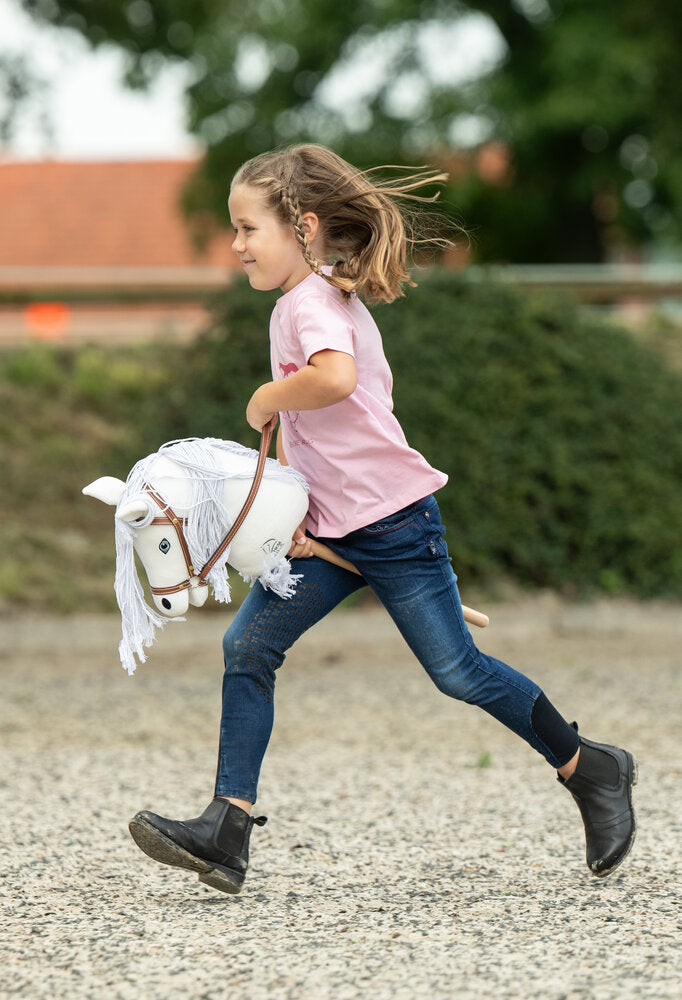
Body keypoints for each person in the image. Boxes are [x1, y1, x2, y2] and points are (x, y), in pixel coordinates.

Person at [128, 144, 637, 894]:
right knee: (248, 647)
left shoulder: (310, 303)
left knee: (458, 672)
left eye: (246, 229)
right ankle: (226, 829)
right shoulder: (304, 300)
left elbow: (335, 381)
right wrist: (298, 521)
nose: (235, 245)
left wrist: (266, 400)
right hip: (333, 531)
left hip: (395, 524)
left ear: (301, 227)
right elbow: (321, 439)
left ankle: (590, 767)